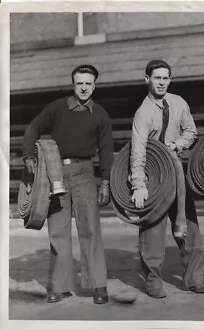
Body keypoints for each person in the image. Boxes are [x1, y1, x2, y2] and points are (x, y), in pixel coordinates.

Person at [21, 64, 113, 304]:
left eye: (88, 83)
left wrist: (105, 182)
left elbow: (106, 151)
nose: (84, 88)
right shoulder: (57, 108)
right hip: (56, 172)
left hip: (85, 172)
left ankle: (98, 285)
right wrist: (29, 156)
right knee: (58, 230)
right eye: (79, 83)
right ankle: (58, 286)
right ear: (73, 84)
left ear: (95, 85)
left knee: (90, 230)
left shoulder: (101, 114)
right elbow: (33, 128)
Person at [129, 59, 204, 299]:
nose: (162, 82)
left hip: (176, 172)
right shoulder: (142, 113)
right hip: (153, 176)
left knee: (188, 224)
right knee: (152, 229)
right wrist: (139, 184)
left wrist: (176, 145)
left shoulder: (178, 103)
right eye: (157, 78)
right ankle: (153, 280)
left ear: (170, 80)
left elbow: (191, 132)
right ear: (147, 79)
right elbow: (138, 149)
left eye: (166, 78)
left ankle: (194, 278)